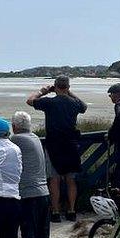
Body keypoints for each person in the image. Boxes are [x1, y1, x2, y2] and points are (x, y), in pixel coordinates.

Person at [26, 76, 87, 222]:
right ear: (68, 87)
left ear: (55, 86)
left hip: (54, 144)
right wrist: (70, 93)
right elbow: (84, 106)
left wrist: (43, 91)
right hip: (71, 143)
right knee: (71, 179)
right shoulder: (74, 103)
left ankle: (55, 212)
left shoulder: (50, 103)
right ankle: (72, 210)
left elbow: (29, 100)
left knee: (54, 179)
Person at [10, 111, 50, 238]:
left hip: (29, 194)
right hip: (43, 193)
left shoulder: (17, 139)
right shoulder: (35, 138)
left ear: (15, 126)